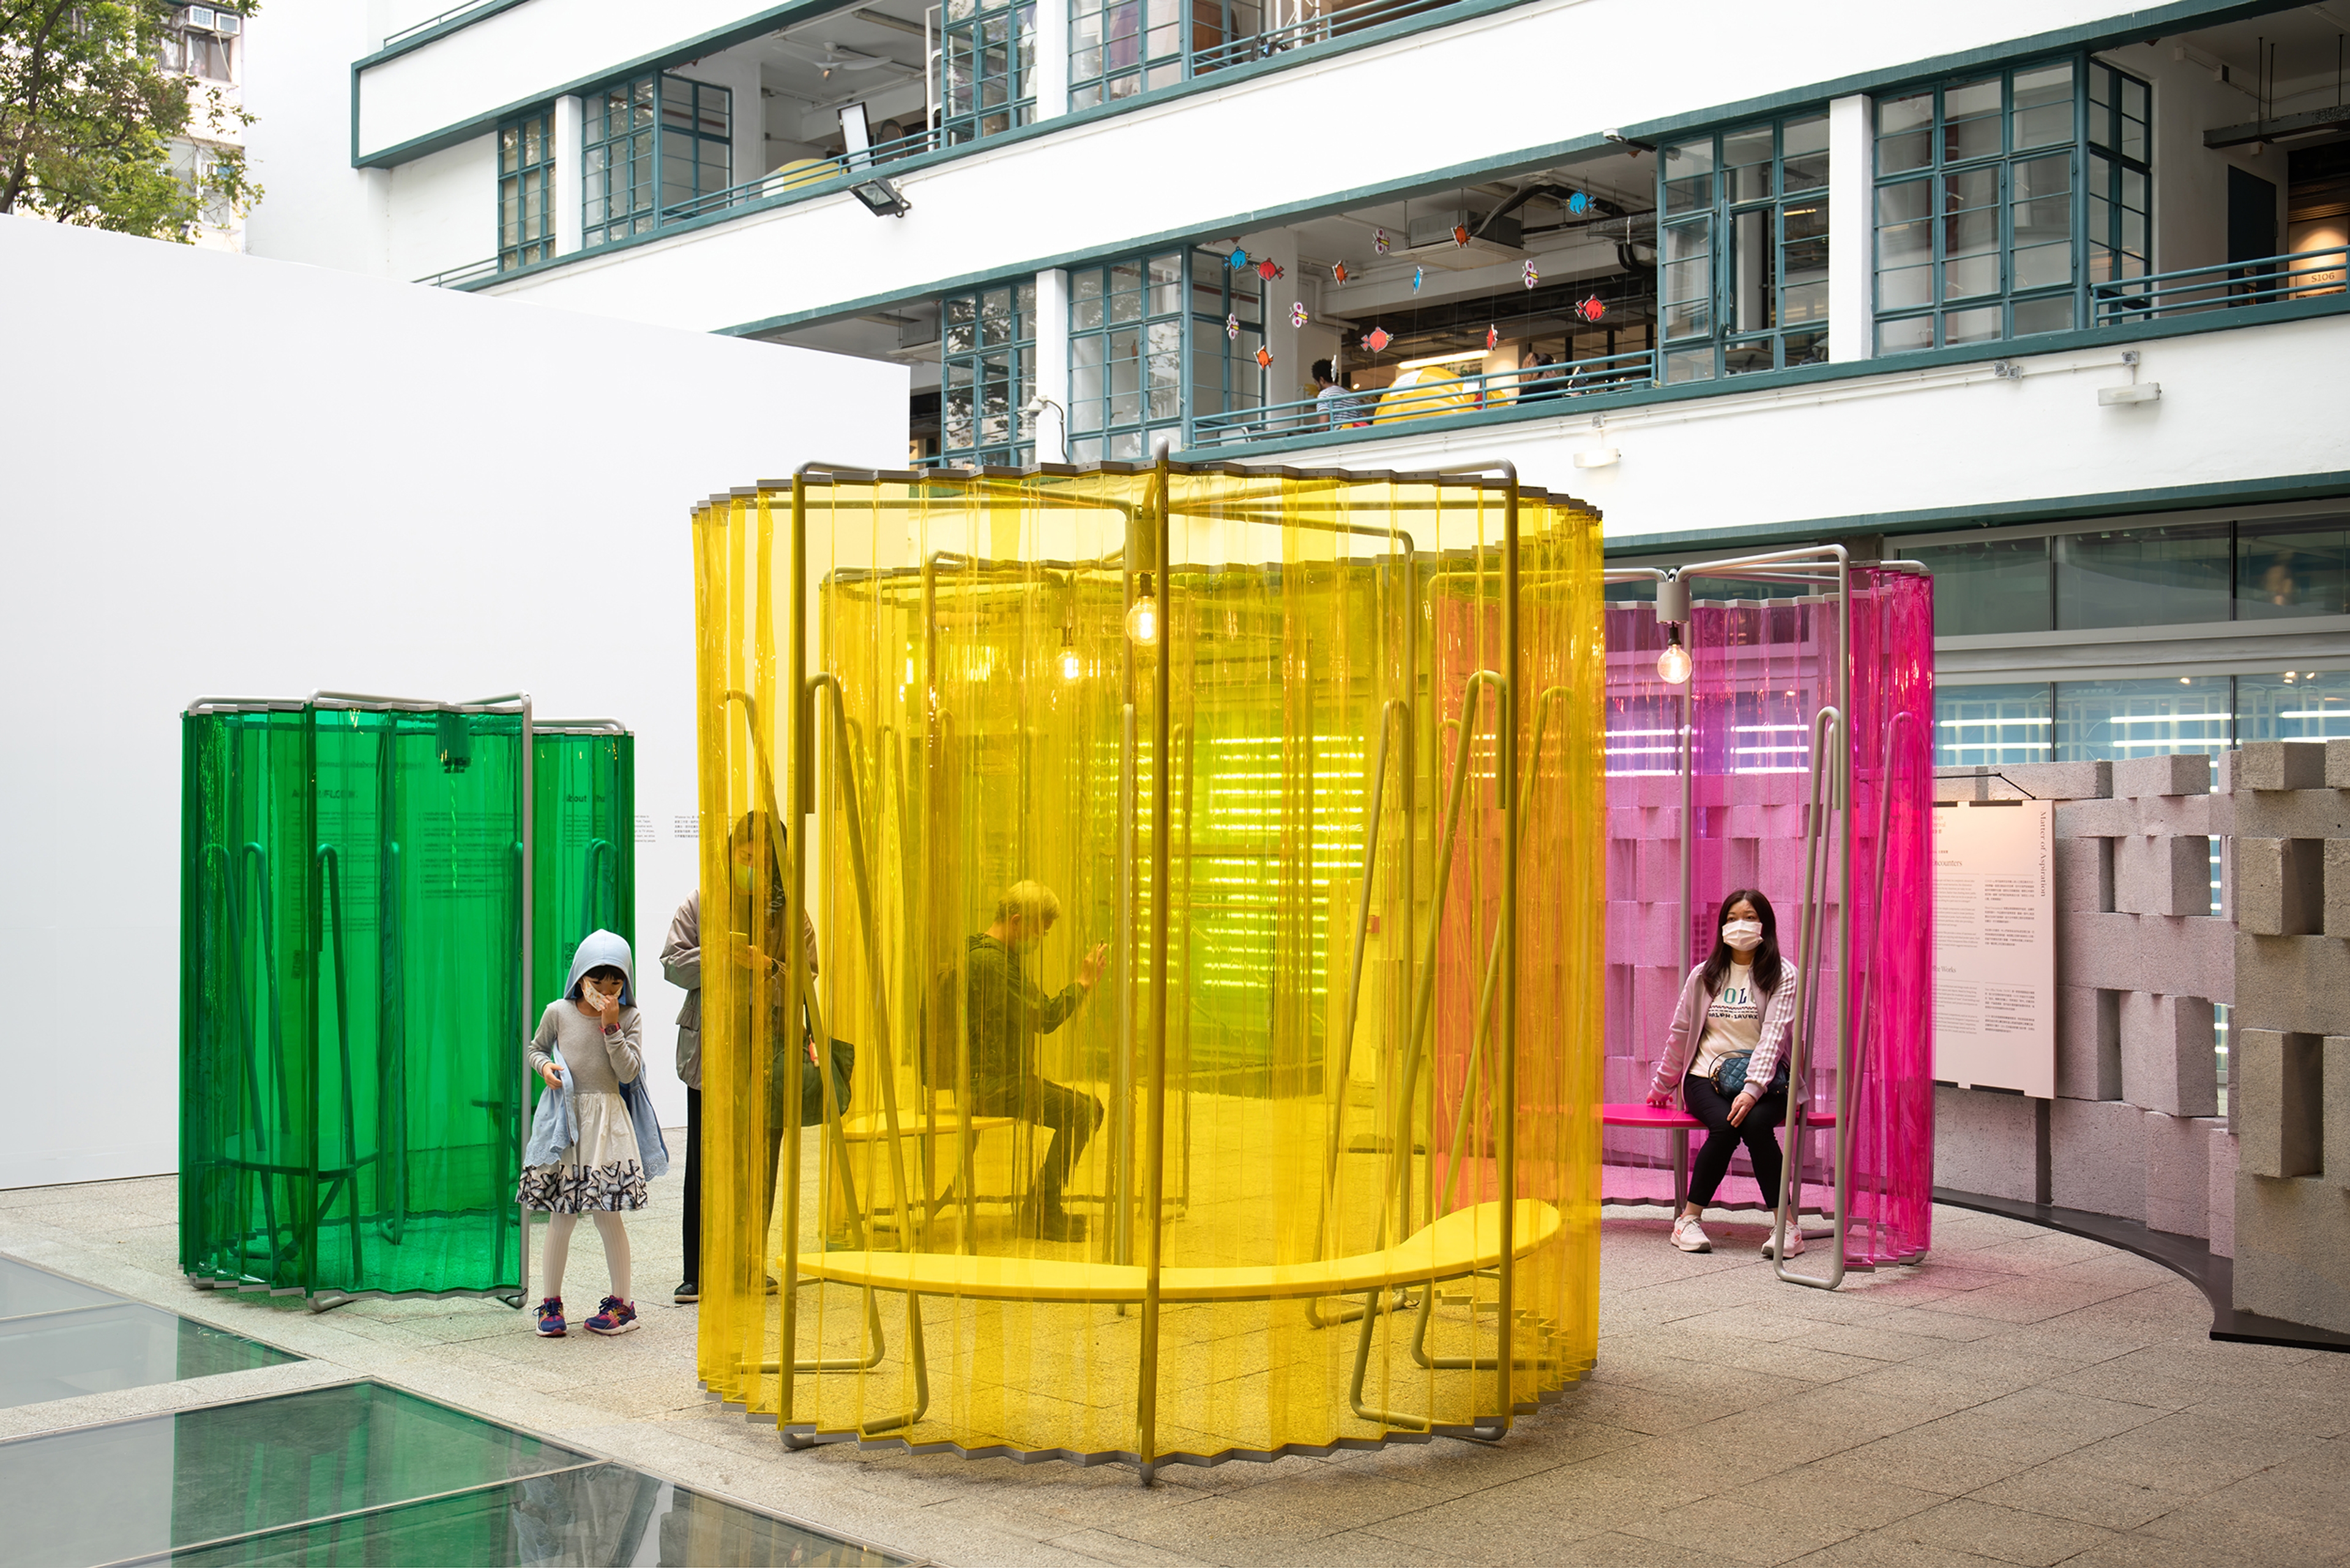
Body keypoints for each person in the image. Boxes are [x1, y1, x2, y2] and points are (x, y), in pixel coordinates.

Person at [664, 812, 819, 1305]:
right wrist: (718, 955)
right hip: (710, 1050)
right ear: (730, 853)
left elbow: (807, 976)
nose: (750, 865)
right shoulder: (702, 901)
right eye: (744, 855)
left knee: (761, 1161)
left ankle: (751, 1264)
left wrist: (768, 965)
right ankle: (699, 1270)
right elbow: (671, 964)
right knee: (706, 1158)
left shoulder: (790, 912)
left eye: (762, 859)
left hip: (768, 1049)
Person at [520, 930, 668, 1336]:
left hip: (608, 1124)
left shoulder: (629, 1018)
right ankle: (550, 1305)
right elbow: (535, 1049)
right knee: (561, 1217)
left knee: (607, 1214)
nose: (606, 990)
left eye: (615, 982)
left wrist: (611, 1028)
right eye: (597, 981)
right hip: (566, 1123)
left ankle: (622, 1306)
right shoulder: (557, 1012)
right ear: (580, 975)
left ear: (626, 981)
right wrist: (544, 1068)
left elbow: (629, 1072)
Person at [1644, 889, 1805, 1258]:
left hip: (1766, 1082)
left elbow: (1774, 1037)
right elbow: (1681, 1033)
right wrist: (1663, 1085)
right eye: (1731, 919)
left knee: (1756, 1125)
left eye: (1748, 917)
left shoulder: (1783, 974)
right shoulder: (1705, 974)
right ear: (1721, 928)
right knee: (1726, 1125)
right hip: (1705, 1077)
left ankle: (1787, 1227)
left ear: (1765, 925)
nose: (1738, 926)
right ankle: (1687, 1220)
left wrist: (1752, 1090)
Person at [965, 882, 1107, 1242]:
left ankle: (1043, 1208)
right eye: (1039, 932)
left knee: (1085, 1108)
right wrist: (1083, 984)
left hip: (998, 1080)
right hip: (995, 1085)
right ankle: (1043, 1211)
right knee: (1085, 1111)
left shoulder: (990, 954)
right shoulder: (992, 963)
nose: (1040, 940)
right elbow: (1043, 1016)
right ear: (1016, 922)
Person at [1312, 359, 1368, 429]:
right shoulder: (1353, 398)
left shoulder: (1325, 395)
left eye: (1316, 383)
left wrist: (1315, 429)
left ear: (1321, 380)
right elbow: (1361, 424)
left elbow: (1324, 427)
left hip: (1337, 437)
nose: (1317, 388)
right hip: (1354, 436)